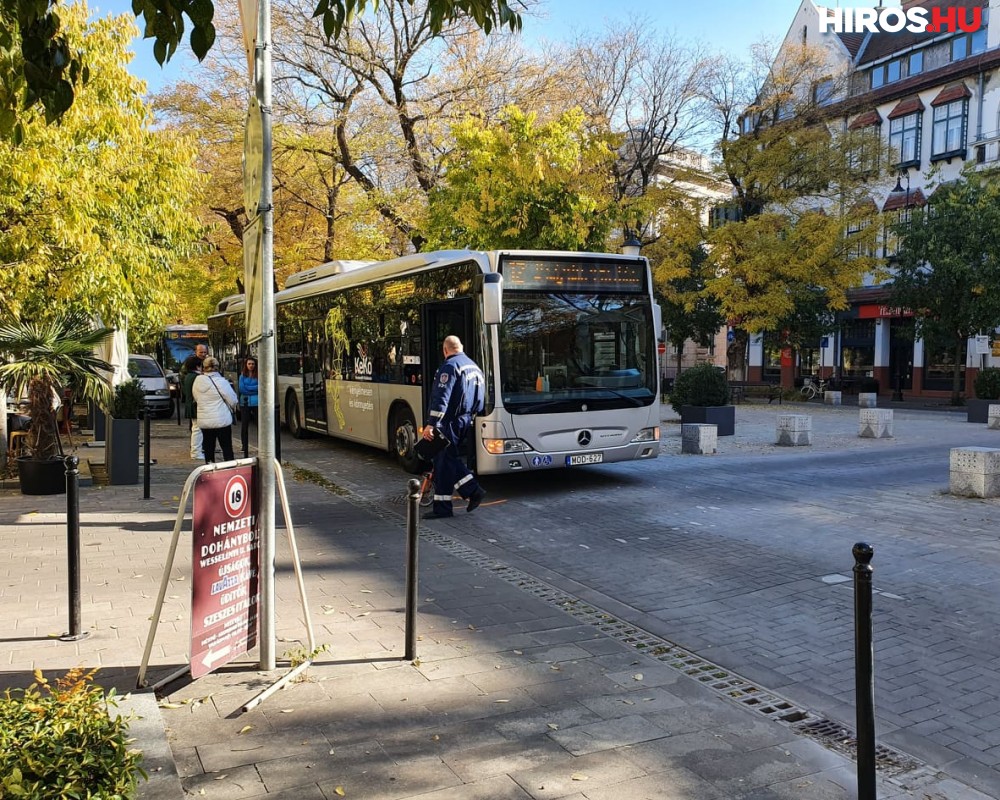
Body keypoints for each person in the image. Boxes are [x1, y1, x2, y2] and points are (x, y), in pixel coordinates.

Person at [421, 335, 487, 519]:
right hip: (466, 420)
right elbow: (480, 399)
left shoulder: (450, 367)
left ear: (445, 350)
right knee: (447, 459)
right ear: (462, 346)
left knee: (443, 461)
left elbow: (442, 397)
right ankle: (471, 491)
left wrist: (431, 424)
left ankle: (446, 507)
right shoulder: (474, 367)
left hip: (449, 422)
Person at [193, 356, 238, 463]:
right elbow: (233, 400)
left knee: (208, 447)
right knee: (226, 447)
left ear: (204, 368)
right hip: (221, 420)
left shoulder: (197, 381)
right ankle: (229, 468)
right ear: (218, 368)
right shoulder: (222, 382)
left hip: (205, 420)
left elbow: (196, 398)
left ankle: (210, 467)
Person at [181, 355, 203, 460]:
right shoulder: (196, 377)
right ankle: (196, 452)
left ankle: (196, 451)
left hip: (191, 404)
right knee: (197, 429)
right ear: (198, 366)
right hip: (196, 406)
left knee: (196, 428)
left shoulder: (188, 376)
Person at [238, 356, 259, 459]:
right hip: (244, 403)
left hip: (257, 403)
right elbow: (242, 389)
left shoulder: (259, 375)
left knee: (259, 424)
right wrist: (254, 389)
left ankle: (261, 444)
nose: (251, 366)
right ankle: (244, 445)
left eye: (253, 364)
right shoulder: (242, 376)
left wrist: (249, 388)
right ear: (246, 365)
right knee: (244, 425)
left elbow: (261, 387)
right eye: (249, 364)